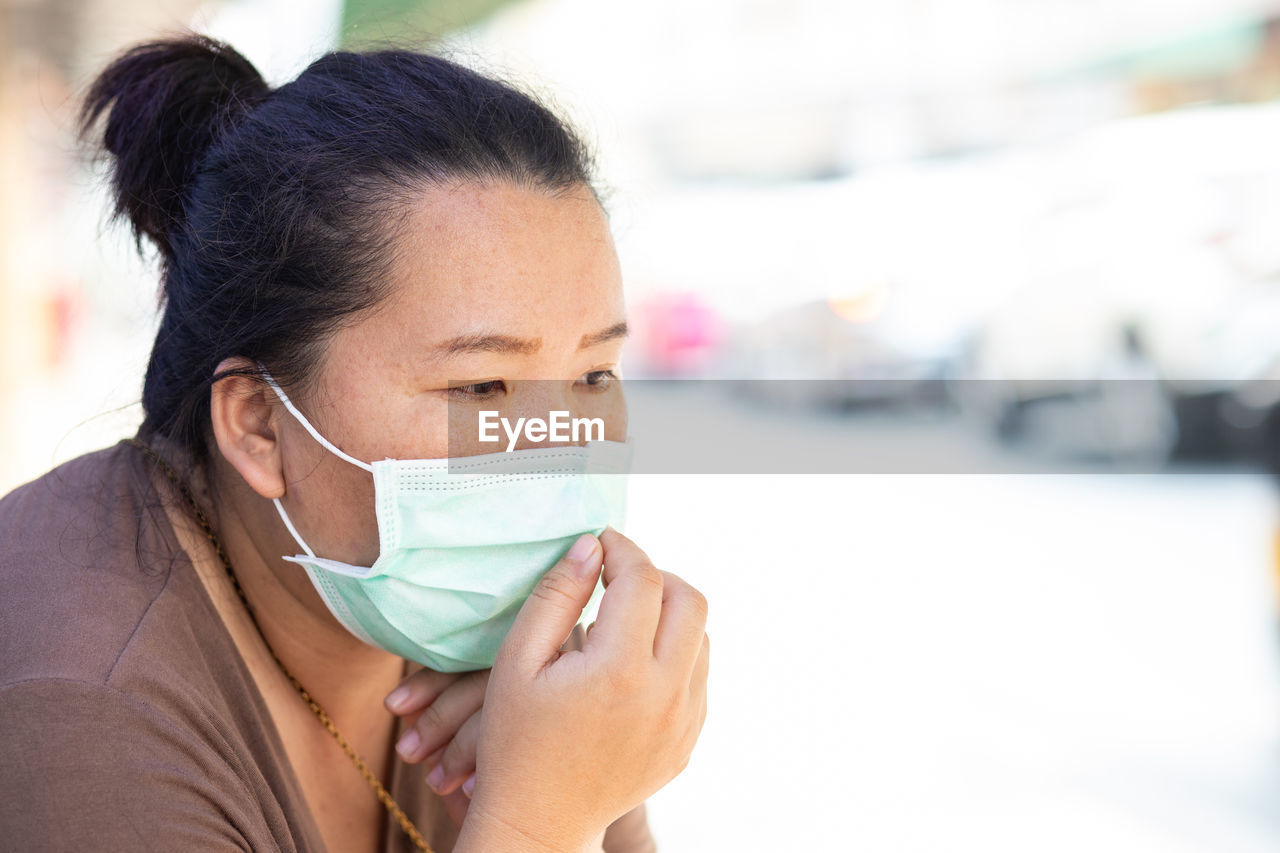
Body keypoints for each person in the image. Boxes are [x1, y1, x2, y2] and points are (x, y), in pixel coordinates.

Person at [0, 34, 708, 852]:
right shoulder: (82, 706)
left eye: (593, 376)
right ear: (261, 426)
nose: (554, 439)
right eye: (479, 388)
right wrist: (543, 814)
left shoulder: (426, 631)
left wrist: (610, 787)